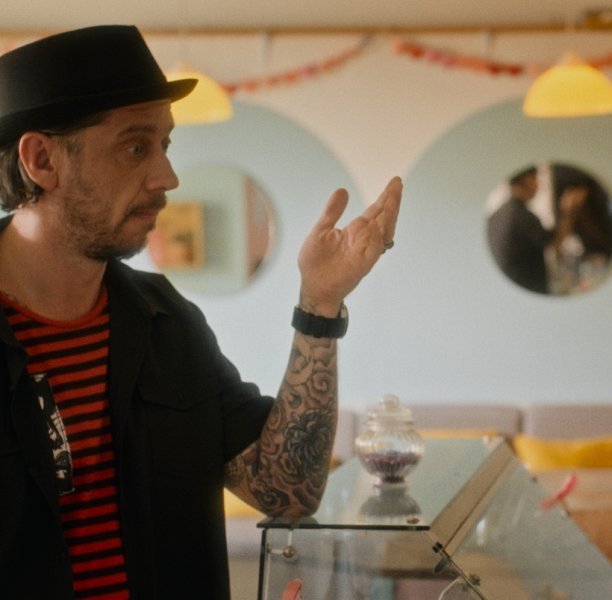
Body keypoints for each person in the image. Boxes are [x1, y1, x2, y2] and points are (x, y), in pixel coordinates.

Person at [0, 25, 401, 599]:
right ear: (42, 160)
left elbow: (285, 490)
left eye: (165, 145)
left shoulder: (166, 322)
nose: (167, 177)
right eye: (135, 147)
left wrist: (320, 303)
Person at [486, 166, 584, 294]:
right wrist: (568, 211)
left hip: (508, 289)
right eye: (536, 179)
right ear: (526, 179)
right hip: (528, 291)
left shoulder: (496, 214)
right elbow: (555, 243)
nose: (539, 185)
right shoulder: (522, 216)